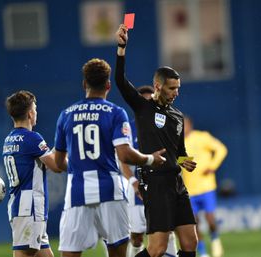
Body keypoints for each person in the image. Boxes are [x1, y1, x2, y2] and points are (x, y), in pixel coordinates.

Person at [54, 58, 167, 257]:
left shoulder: (66, 115)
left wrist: (79, 169)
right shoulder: (115, 112)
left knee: (70, 253)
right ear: (108, 85)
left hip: (77, 191)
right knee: (117, 252)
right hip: (110, 190)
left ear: (84, 84)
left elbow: (57, 162)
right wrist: (150, 159)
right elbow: (124, 153)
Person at [115, 24, 198, 257]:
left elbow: (179, 150)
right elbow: (120, 81)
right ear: (157, 86)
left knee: (190, 242)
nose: (176, 93)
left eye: (178, 88)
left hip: (177, 182)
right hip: (156, 182)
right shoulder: (143, 107)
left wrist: (185, 161)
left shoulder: (177, 116)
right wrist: (121, 48)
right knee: (157, 249)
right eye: (172, 88)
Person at [3, 90, 62, 257]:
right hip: (29, 207)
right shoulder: (32, 138)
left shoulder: (9, 139)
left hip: (20, 205)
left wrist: (59, 147)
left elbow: (42, 164)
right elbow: (56, 166)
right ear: (30, 113)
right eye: (35, 108)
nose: (36, 111)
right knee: (24, 254)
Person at [120, 86, 178, 257]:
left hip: (162, 188)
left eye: (150, 101)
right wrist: (133, 183)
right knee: (137, 237)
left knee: (168, 232)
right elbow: (123, 159)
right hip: (139, 190)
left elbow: (176, 155)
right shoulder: (128, 128)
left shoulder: (165, 124)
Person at [182, 116, 227, 257]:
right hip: (189, 189)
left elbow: (221, 149)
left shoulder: (202, 137)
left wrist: (212, 166)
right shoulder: (178, 143)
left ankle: (215, 239)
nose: (184, 127)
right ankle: (202, 252)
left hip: (206, 186)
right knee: (194, 223)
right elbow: (180, 162)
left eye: (185, 124)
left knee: (210, 219)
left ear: (191, 125)